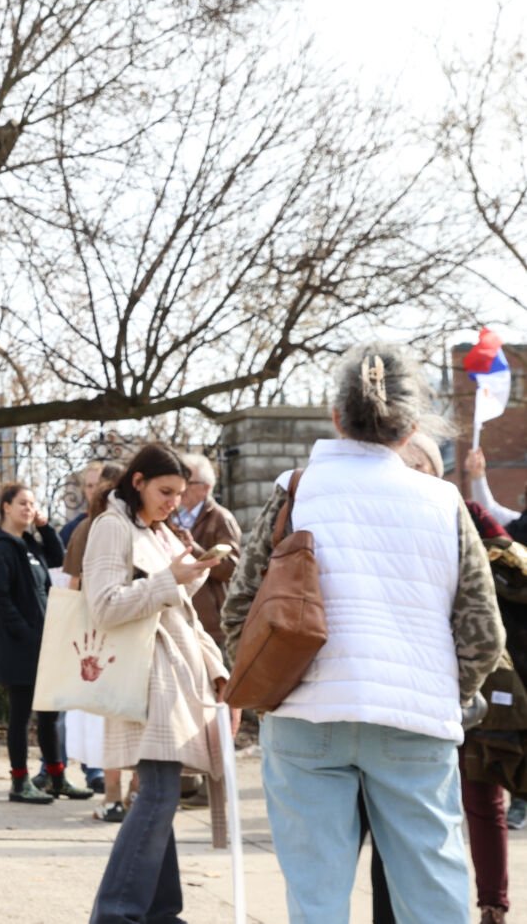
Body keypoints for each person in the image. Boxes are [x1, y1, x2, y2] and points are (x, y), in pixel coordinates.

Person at [221, 343, 505, 924]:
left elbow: (239, 610)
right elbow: (483, 631)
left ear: (336, 417)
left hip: (305, 713)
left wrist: (268, 688)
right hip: (413, 718)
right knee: (432, 897)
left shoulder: (295, 492)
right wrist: (450, 691)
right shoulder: (443, 502)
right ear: (411, 428)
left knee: (316, 899)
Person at [360, 431, 522, 924]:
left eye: (414, 467)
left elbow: (511, 567)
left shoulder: (464, 514)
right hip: (403, 687)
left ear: (434, 471)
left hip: (469, 682)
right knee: (394, 814)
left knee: (480, 795)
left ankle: (493, 903)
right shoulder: (378, 519)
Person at [83, 444, 226, 923]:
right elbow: (103, 606)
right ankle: (117, 912)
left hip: (175, 676)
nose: (173, 502)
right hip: (147, 676)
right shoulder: (113, 526)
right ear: (138, 481)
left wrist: (218, 669)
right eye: (165, 491)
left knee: (160, 793)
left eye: (179, 494)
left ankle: (161, 911)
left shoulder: (160, 532)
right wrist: (169, 579)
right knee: (160, 792)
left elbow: (184, 615)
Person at [0, 483, 92, 803]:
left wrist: (44, 527)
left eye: (32, 504)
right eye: (22, 503)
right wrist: (25, 632)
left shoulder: (29, 544)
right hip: (18, 645)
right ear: (6, 507)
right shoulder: (0, 548)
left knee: (50, 712)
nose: (29, 509)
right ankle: (19, 782)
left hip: (44, 642)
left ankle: (56, 777)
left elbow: (58, 558)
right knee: (21, 713)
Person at [63, 464, 129, 822]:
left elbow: (73, 586)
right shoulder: (91, 527)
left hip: (108, 631)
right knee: (116, 714)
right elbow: (74, 583)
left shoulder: (94, 526)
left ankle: (119, 792)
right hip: (107, 633)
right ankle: (119, 791)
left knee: (115, 714)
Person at [470, 445, 527, 832]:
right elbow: (490, 513)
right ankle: (520, 798)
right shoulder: (519, 530)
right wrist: (477, 477)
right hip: (518, 641)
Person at [171, 452, 241, 659]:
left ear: (206, 487)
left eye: (189, 482)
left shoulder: (221, 518)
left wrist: (194, 549)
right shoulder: (169, 515)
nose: (182, 487)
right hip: (177, 617)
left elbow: (232, 569)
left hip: (211, 624)